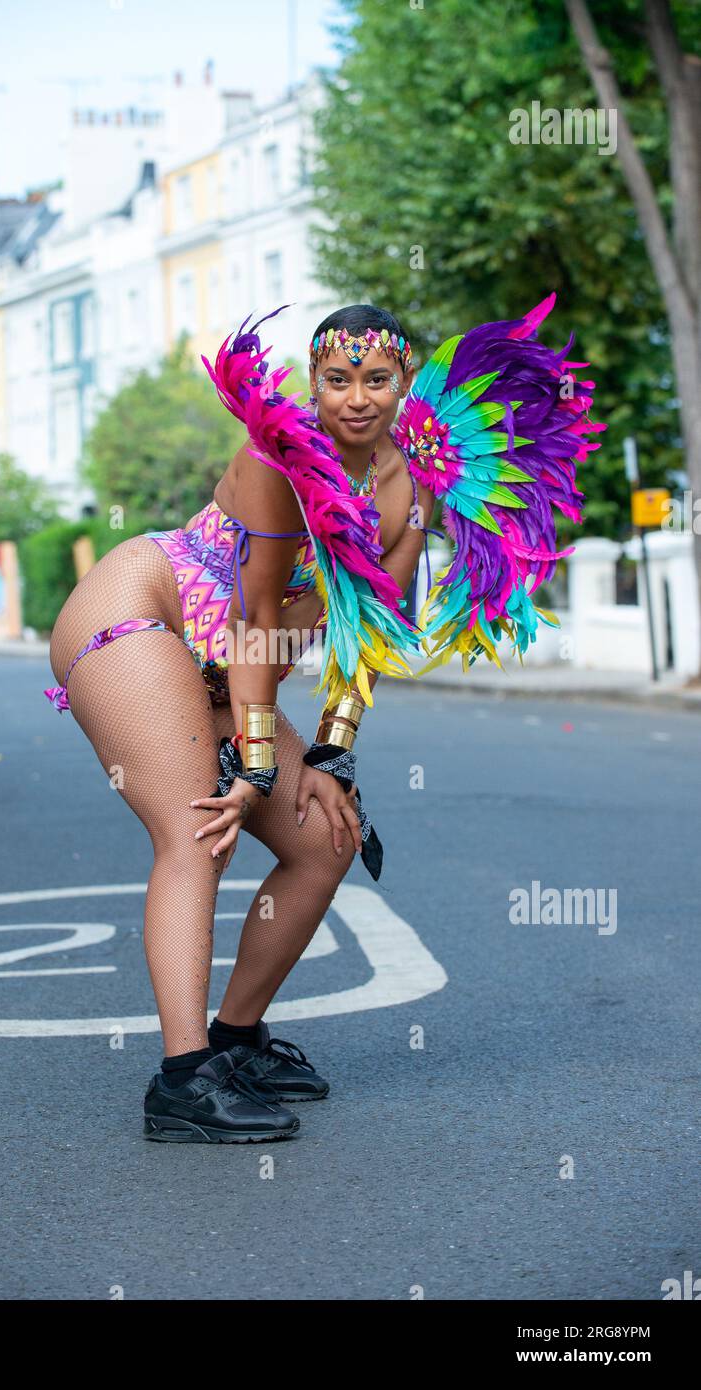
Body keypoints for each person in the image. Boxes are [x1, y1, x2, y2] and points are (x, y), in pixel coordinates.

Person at [44, 298, 601, 1143]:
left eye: (377, 379)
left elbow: (368, 632)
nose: (356, 397)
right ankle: (183, 1080)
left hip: (231, 664)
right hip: (137, 617)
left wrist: (332, 759)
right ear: (314, 381)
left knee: (325, 837)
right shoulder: (276, 461)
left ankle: (235, 1040)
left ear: (403, 383)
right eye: (337, 378)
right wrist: (258, 764)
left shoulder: (412, 489)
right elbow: (258, 613)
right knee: (198, 824)